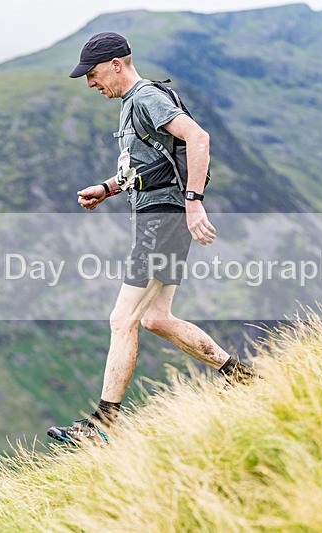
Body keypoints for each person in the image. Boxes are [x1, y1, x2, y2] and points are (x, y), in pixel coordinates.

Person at [47, 32, 255, 445]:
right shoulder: (132, 105)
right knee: (156, 318)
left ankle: (101, 427)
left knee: (121, 320)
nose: (90, 83)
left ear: (116, 65)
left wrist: (193, 202)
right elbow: (150, 164)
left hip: (163, 220)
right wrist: (106, 189)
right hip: (159, 218)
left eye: (92, 74)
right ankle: (242, 378)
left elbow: (198, 138)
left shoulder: (145, 98)